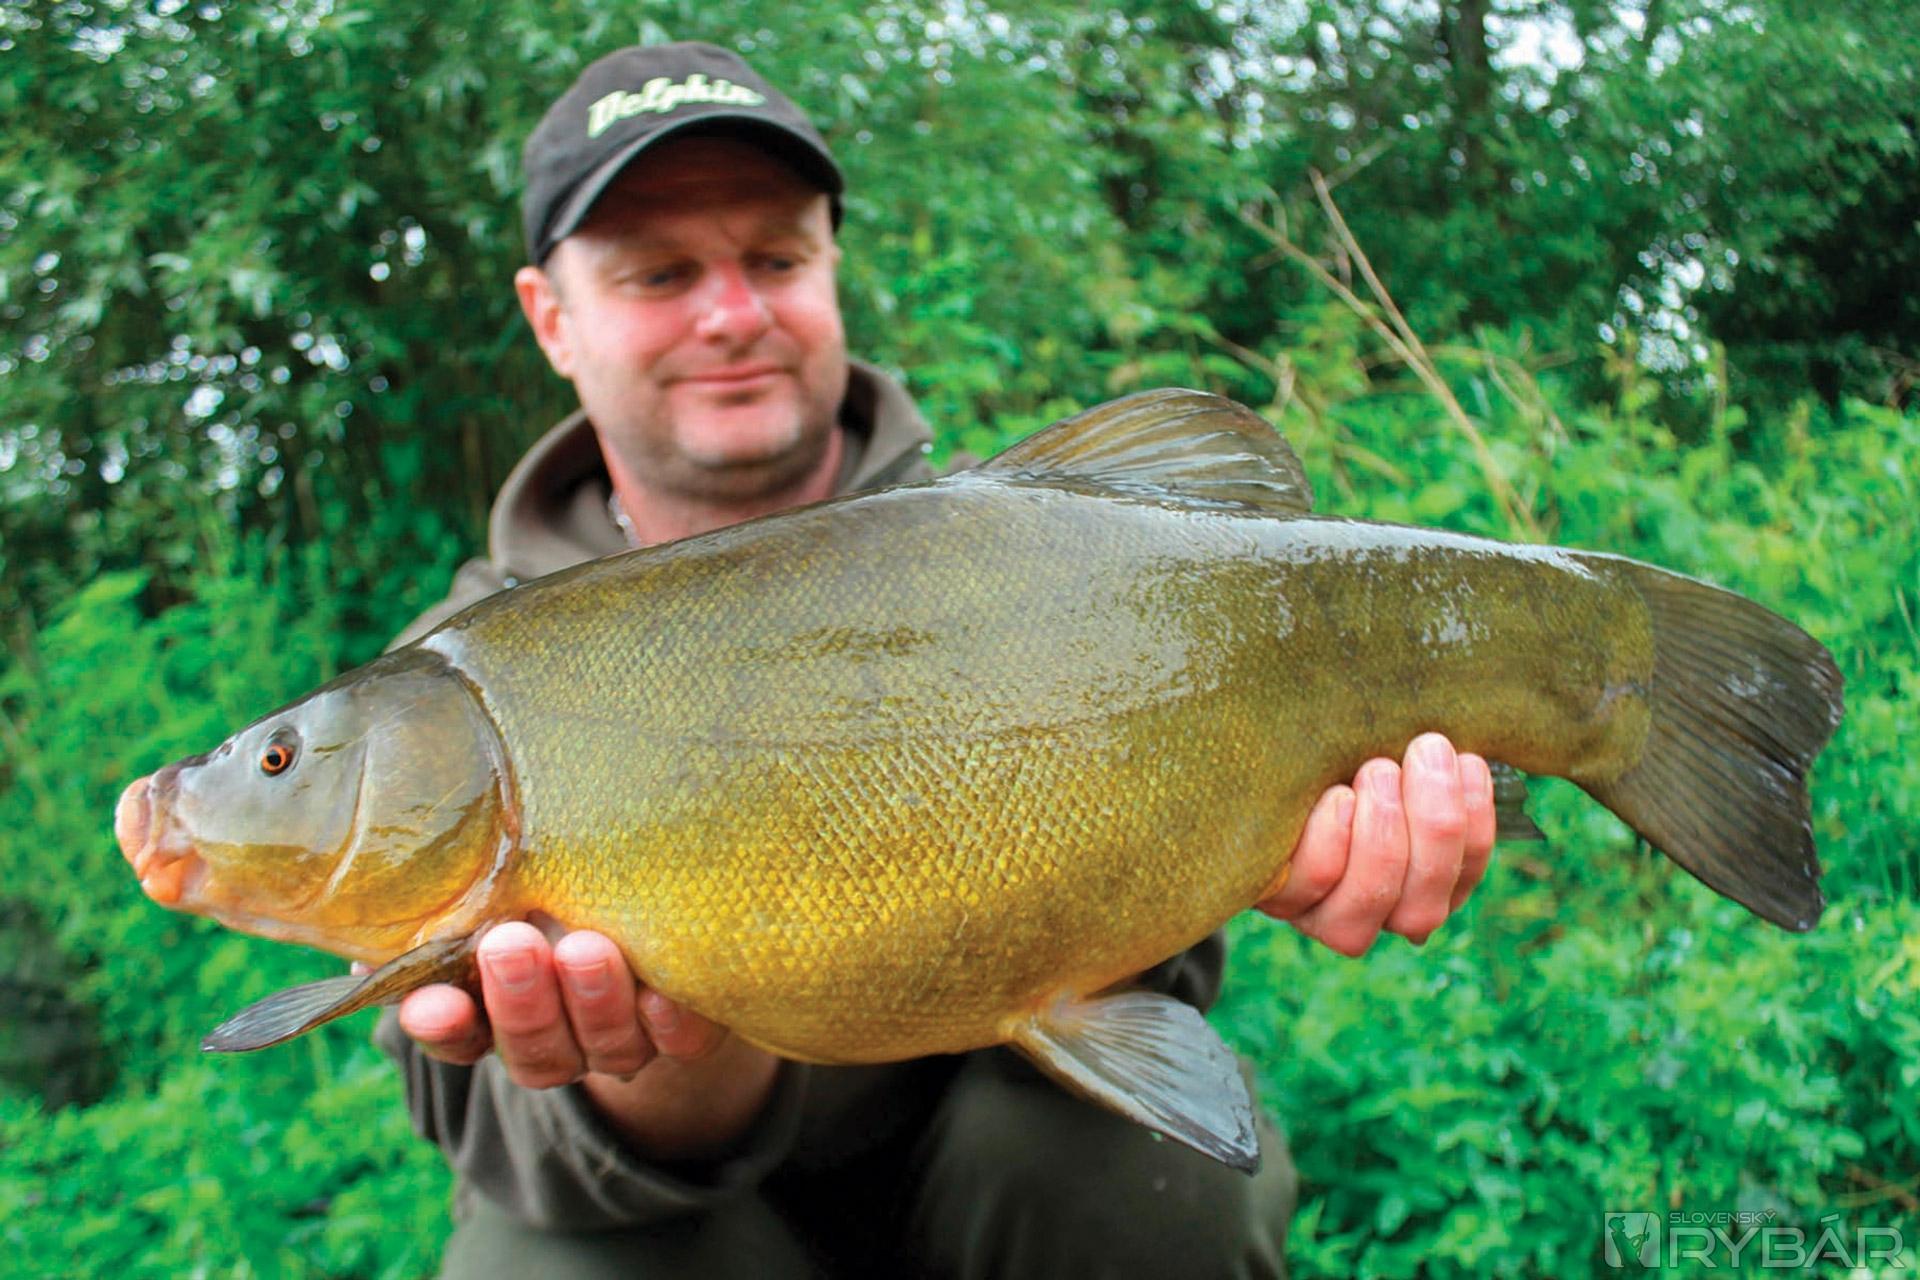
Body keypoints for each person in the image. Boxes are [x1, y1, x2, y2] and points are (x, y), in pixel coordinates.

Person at [376, 41, 1499, 1278]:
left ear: (831, 267)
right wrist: (666, 1056)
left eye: (776, 259)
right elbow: (467, 1107)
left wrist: (1268, 836)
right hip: (691, 1220)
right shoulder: (456, 684)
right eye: (660, 272)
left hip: (1005, 1160)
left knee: (1138, 1177)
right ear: (551, 316)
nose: (733, 314)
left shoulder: (1023, 555)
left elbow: (1157, 976)